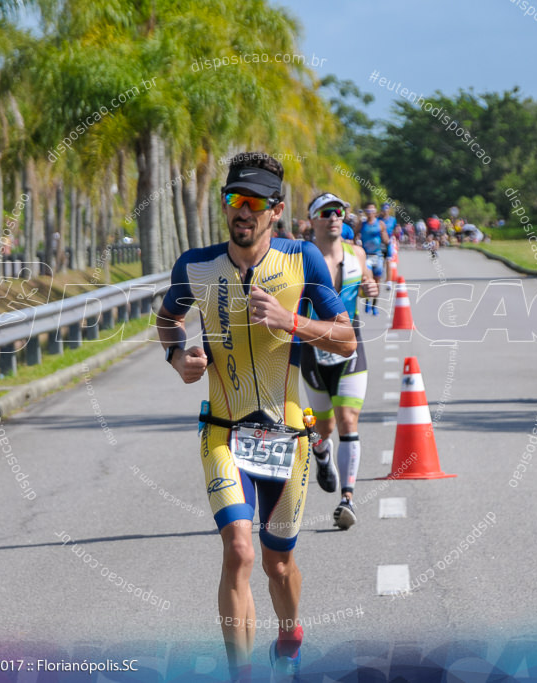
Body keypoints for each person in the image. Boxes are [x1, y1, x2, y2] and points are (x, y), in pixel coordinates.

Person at [156, 152, 356, 681]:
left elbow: (346, 335)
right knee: (240, 551)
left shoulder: (303, 259)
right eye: (232, 200)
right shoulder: (194, 266)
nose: (241, 211)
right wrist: (179, 358)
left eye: (253, 203)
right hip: (222, 432)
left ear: (275, 210)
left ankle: (290, 635)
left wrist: (293, 321)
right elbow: (167, 321)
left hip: (286, 438)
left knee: (277, 563)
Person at [301, 192, 379, 530]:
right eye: (326, 212)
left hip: (350, 344)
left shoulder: (356, 253)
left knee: (348, 420)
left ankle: (347, 499)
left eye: (339, 212)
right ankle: (321, 454)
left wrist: (370, 288)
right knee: (324, 427)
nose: (335, 217)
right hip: (310, 347)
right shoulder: (298, 256)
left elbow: (365, 286)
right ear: (312, 220)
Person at [356, 203, 388, 315]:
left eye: (372, 211)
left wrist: (388, 244)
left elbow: (386, 239)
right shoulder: (362, 224)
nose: (370, 213)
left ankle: (375, 305)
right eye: (368, 211)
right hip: (367, 255)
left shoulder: (380, 224)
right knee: (367, 280)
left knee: (377, 281)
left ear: (375, 212)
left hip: (377, 255)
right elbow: (354, 235)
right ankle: (367, 302)